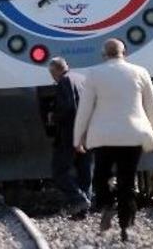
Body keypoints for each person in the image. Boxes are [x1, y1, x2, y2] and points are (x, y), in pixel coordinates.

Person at [73, 39, 153, 242]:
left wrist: (78, 138)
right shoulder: (140, 72)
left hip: (103, 136)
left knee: (100, 177)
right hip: (133, 135)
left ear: (104, 54)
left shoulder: (93, 74)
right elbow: (152, 106)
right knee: (127, 182)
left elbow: (84, 109)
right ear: (124, 53)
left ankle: (107, 203)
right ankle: (126, 227)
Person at [46, 57, 93, 218]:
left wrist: (54, 117)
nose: (52, 77)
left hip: (70, 134)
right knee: (84, 172)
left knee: (59, 172)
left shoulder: (64, 81)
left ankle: (79, 199)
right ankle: (83, 211)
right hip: (87, 132)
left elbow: (67, 107)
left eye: (51, 73)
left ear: (55, 71)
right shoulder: (81, 79)